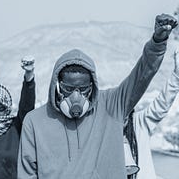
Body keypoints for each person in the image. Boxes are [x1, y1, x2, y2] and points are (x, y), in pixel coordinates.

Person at [17, 14, 178, 179]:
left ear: (93, 85)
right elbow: (27, 175)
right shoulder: (34, 121)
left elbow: (142, 74)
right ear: (57, 85)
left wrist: (157, 43)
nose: (75, 95)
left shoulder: (111, 106)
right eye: (68, 88)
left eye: (83, 88)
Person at [124, 50, 179, 179]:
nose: (122, 114)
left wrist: (177, 76)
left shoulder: (140, 122)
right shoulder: (104, 131)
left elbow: (162, 104)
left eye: (126, 108)